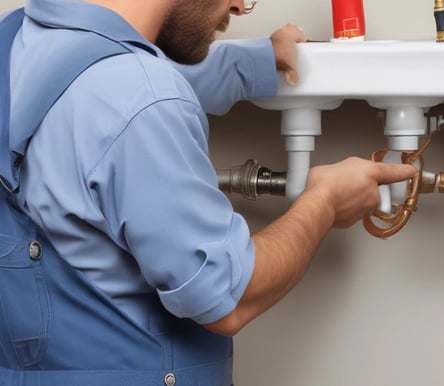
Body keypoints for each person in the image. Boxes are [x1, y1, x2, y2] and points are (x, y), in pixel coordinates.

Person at [0, 0, 416, 384]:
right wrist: (324, 202)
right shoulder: (142, 97)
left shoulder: (20, 39)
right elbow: (227, 300)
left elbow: (111, 90)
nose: (240, 5)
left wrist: (251, 63)